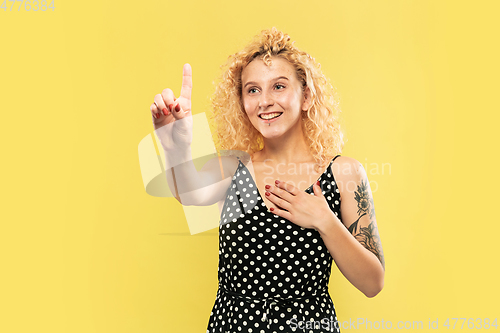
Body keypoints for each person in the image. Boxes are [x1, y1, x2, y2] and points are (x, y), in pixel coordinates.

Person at [149, 27, 385, 333]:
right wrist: (175, 144)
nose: (264, 101)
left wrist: (325, 221)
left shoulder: (343, 173)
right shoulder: (234, 167)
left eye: (279, 86)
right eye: (253, 90)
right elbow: (189, 191)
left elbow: (372, 282)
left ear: (307, 95)